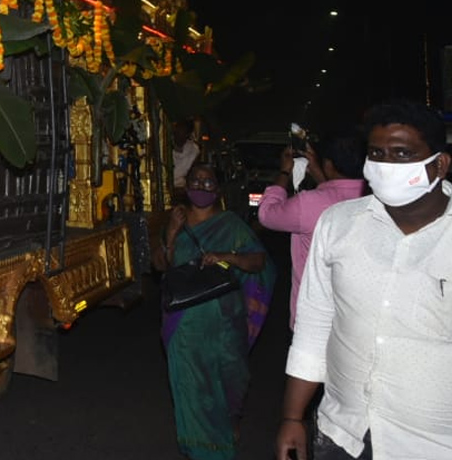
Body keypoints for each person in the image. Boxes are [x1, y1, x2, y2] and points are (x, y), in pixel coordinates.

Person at [275, 98, 451, 460]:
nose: (387, 165)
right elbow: (315, 322)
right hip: (343, 433)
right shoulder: (338, 224)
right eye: (377, 154)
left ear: (440, 164)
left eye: (402, 154)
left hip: (432, 444)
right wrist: (293, 416)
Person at [153, 160, 275, 460]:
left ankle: (230, 421)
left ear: (217, 189)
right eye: (196, 180)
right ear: (186, 185)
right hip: (184, 325)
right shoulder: (176, 220)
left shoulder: (231, 223)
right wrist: (171, 233)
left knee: (232, 378)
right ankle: (202, 450)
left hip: (225, 323)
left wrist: (226, 256)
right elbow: (160, 266)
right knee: (191, 386)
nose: (201, 187)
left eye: (208, 182)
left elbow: (258, 262)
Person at [256, 133, 366, 331]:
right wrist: (319, 173)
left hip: (315, 321)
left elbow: (267, 214)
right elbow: (337, 193)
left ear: (329, 164)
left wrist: (284, 172)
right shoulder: (375, 199)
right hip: (358, 319)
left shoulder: (309, 203)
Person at [172, 119, 201, 195]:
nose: (181, 134)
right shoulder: (164, 148)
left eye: (185, 131)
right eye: (179, 129)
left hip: (183, 190)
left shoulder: (194, 150)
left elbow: (193, 175)